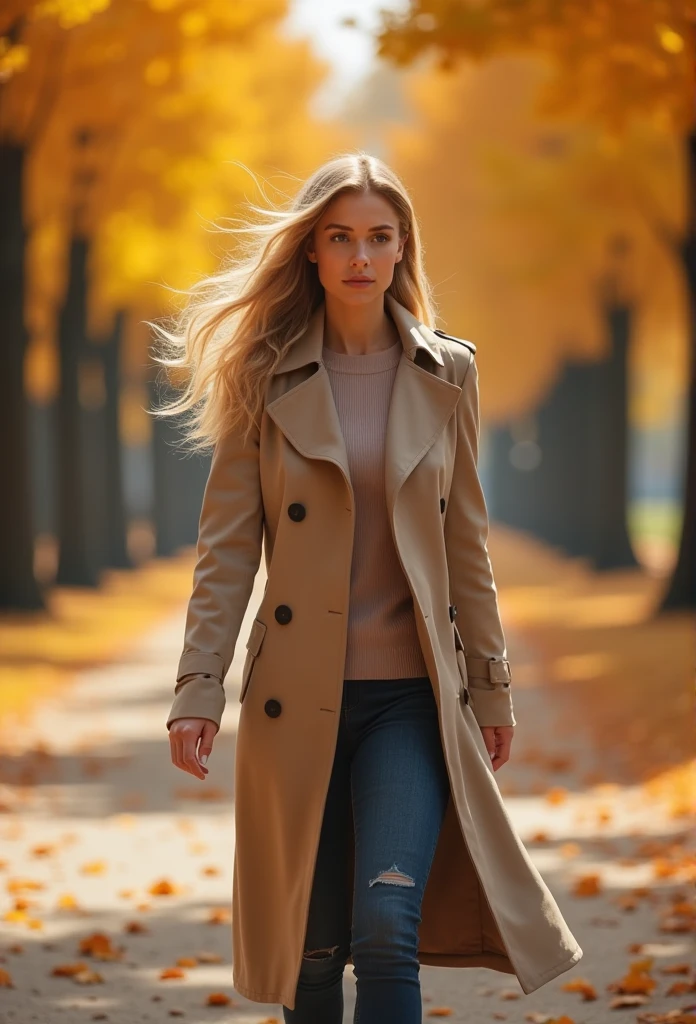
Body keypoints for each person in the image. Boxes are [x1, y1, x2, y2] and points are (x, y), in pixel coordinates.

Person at [152, 152, 582, 1024]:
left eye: (379, 238)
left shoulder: (446, 372)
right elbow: (227, 551)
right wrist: (198, 688)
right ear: (310, 250)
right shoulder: (260, 376)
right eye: (340, 237)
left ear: (402, 249)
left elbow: (469, 545)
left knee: (386, 926)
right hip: (294, 704)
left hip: (412, 701)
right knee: (311, 954)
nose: (360, 256)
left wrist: (491, 688)